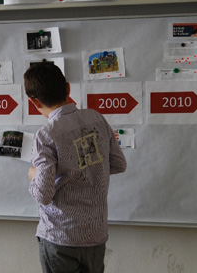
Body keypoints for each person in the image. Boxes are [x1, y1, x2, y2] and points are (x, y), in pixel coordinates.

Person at [23, 63, 127, 273]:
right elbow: (118, 164)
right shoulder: (96, 118)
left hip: (60, 237)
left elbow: (43, 195)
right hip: (95, 235)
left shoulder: (47, 135)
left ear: (33, 102)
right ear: (68, 89)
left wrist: (33, 175)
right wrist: (88, 171)